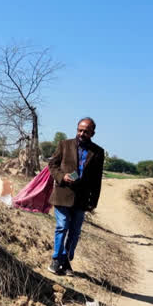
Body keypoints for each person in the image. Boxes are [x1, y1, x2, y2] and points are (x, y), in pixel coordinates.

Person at [47, 117, 104, 276]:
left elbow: (97, 179)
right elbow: (52, 165)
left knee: (75, 231)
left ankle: (65, 261)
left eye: (86, 131)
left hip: (81, 198)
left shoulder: (98, 152)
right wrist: (62, 177)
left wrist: (94, 200)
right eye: (80, 130)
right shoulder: (64, 145)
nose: (82, 133)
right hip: (63, 193)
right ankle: (56, 259)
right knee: (62, 225)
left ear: (92, 133)